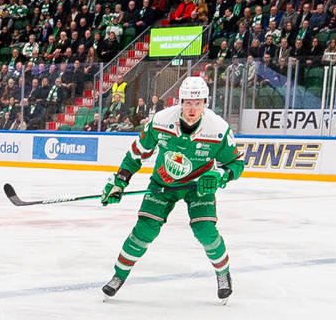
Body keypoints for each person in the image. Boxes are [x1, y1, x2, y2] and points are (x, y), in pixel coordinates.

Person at [100, 75, 244, 300]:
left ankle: (223, 273)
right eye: (188, 102)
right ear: (180, 102)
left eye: (197, 103)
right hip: (163, 184)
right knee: (144, 231)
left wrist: (220, 175)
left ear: (205, 103)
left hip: (199, 187)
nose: (192, 109)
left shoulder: (218, 129)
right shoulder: (160, 121)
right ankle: (118, 275)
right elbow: (137, 152)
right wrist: (120, 181)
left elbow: (236, 163)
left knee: (205, 232)